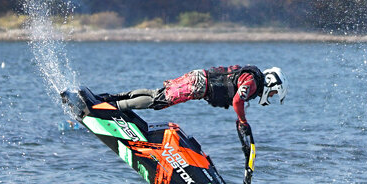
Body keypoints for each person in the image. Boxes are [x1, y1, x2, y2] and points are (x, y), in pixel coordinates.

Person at [108, 65, 285, 134]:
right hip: (200, 84)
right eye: (273, 93)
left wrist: (241, 120)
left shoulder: (251, 79)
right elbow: (237, 101)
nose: (270, 96)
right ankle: (115, 106)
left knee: (158, 95)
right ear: (271, 83)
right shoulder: (252, 81)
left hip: (199, 79)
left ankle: (113, 99)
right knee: (159, 101)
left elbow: (239, 100)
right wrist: (243, 121)